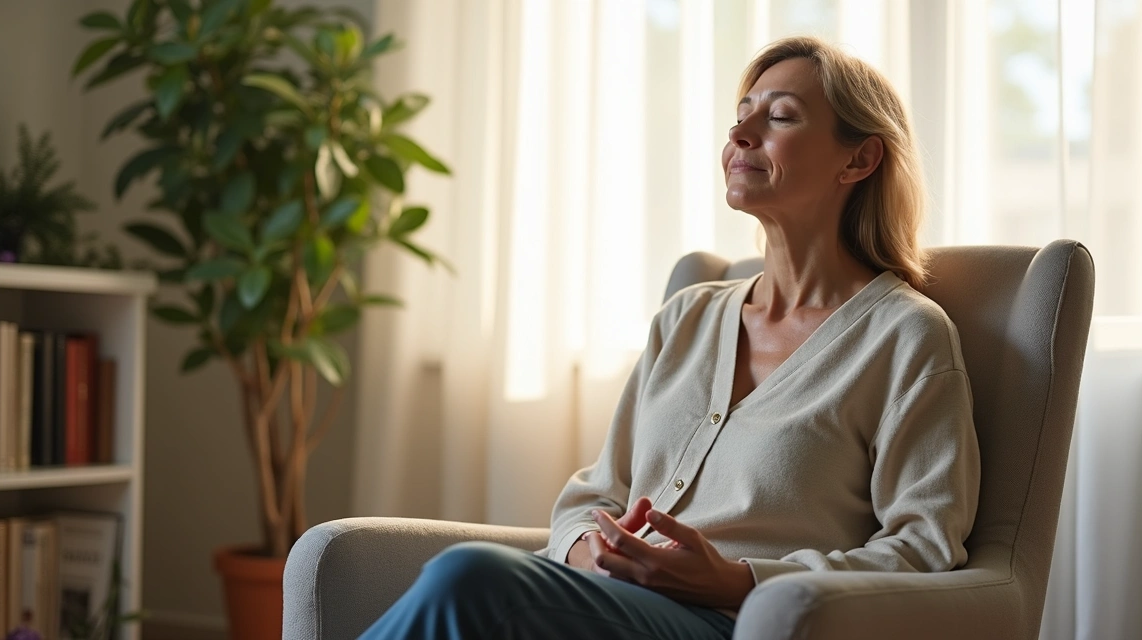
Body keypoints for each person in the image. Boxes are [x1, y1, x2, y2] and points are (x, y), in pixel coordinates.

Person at [358, 35, 980, 640]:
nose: (741, 133)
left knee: (471, 576)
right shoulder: (686, 318)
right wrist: (589, 553)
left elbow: (924, 544)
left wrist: (741, 580)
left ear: (860, 159)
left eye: (781, 116)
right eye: (742, 115)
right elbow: (598, 491)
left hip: (745, 623)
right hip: (606, 603)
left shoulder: (906, 338)